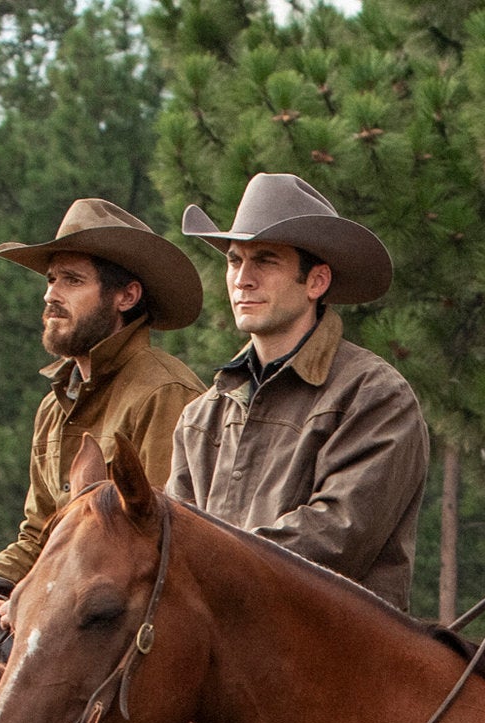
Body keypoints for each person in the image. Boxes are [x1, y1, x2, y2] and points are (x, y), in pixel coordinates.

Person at [0, 199, 204, 637]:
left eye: (72, 281)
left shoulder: (165, 393)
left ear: (126, 296)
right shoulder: (55, 407)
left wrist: (38, 600)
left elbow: (163, 548)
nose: (50, 295)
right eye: (52, 280)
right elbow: (38, 540)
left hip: (124, 640)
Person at [170, 174, 429, 607]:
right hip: (220, 660)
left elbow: (337, 537)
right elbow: (173, 537)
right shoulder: (202, 416)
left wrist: (204, 567)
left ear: (316, 282)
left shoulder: (375, 396)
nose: (242, 279)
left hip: (333, 660)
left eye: (265, 261)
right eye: (234, 261)